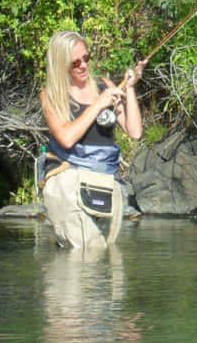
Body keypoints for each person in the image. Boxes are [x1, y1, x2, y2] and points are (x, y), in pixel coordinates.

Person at [39, 30, 147, 248]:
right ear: (60, 65)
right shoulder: (50, 95)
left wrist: (131, 88)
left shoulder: (104, 85)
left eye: (86, 58)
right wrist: (98, 104)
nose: (83, 66)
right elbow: (67, 138)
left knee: (102, 259)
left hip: (104, 183)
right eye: (75, 62)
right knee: (86, 253)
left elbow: (134, 131)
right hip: (68, 183)